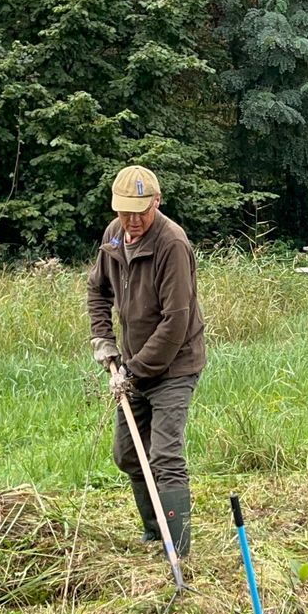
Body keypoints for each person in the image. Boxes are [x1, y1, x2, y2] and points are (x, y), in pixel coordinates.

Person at [86, 165, 207, 556]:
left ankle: (179, 548)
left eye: (140, 211)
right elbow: (97, 290)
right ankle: (156, 529)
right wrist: (103, 340)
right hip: (134, 366)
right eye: (124, 212)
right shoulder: (114, 236)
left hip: (175, 365)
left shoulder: (172, 243)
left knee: (164, 454)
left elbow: (176, 321)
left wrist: (132, 372)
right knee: (127, 454)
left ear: (157, 201)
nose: (132, 221)